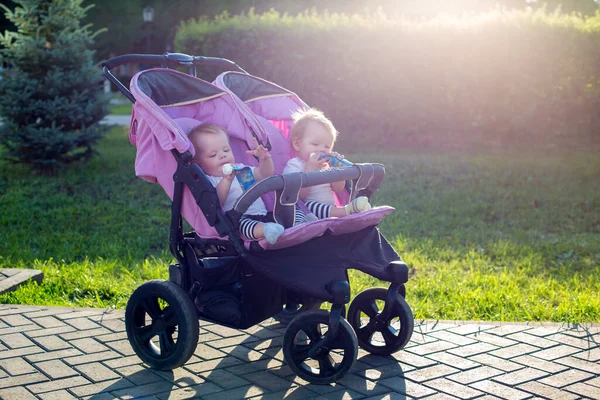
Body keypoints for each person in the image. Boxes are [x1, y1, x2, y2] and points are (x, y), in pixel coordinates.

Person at [188, 123, 285, 244]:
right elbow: (216, 203)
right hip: (239, 220)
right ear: (199, 164)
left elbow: (264, 174)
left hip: (264, 214)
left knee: (286, 208)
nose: (223, 155)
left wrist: (265, 160)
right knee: (244, 226)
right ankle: (267, 230)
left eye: (226, 150)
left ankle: (300, 220)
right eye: (213, 155)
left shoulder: (241, 170)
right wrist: (226, 180)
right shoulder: (210, 181)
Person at [284, 108, 371, 218]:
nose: (322, 149)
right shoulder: (294, 165)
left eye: (327, 146)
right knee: (309, 205)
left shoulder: (325, 166)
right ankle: (346, 211)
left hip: (329, 210)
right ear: (297, 144)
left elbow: (338, 188)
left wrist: (337, 170)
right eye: (315, 144)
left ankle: (345, 212)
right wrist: (309, 170)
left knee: (328, 208)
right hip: (307, 211)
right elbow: (298, 196)